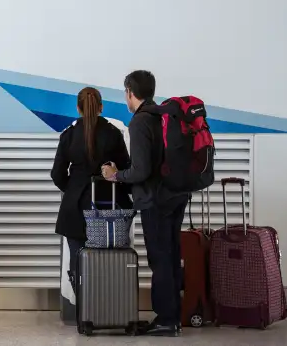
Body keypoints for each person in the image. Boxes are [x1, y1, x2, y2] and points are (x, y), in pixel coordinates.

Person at [102, 70, 189, 337]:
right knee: (171, 255)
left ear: (130, 91)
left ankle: (165, 319)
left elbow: (140, 170)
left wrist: (115, 175)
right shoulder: (165, 116)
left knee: (160, 258)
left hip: (154, 200)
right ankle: (173, 316)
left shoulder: (140, 121)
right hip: (176, 195)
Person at [51, 87, 132, 294]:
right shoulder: (113, 133)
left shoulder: (68, 135)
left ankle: (85, 312)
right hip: (109, 206)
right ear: (101, 107)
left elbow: (57, 174)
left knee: (78, 261)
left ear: (78, 108)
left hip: (75, 207)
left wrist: (72, 190)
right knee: (110, 259)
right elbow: (125, 168)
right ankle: (110, 308)